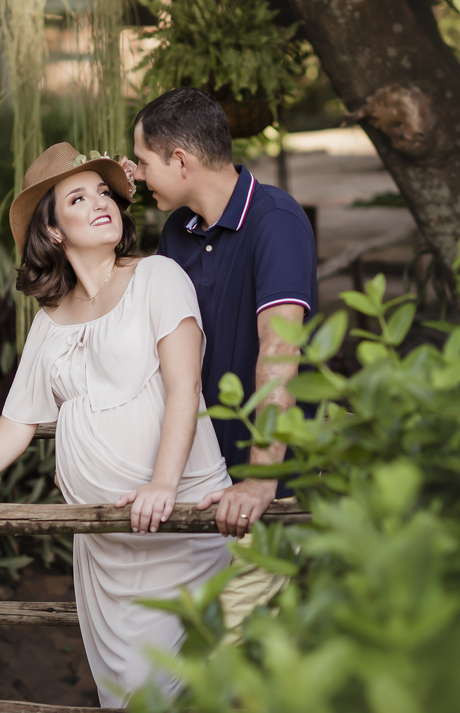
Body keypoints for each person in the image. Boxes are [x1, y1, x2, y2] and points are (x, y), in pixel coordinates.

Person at [0, 142, 233, 708]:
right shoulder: (50, 321)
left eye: (105, 192)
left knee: (192, 693)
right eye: (79, 198)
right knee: (129, 700)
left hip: (177, 521)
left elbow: (185, 387)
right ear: (53, 230)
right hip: (103, 543)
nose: (102, 203)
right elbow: (18, 420)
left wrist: (163, 486)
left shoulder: (158, 277)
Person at [129, 88, 318, 543]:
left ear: (180, 161)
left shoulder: (277, 221)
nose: (135, 173)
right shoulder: (177, 230)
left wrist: (260, 478)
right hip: (195, 475)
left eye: (142, 161)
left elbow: (280, 348)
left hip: (260, 487)